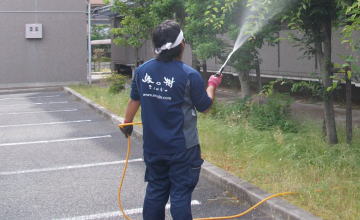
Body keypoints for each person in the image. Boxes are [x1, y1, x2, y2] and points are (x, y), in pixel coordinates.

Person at [120, 20, 222, 220]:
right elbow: (205, 106)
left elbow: (134, 100)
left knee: (156, 191)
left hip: (153, 147)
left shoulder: (142, 72)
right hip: (182, 150)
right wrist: (212, 84)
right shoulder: (189, 75)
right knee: (180, 195)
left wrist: (127, 124)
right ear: (181, 45)